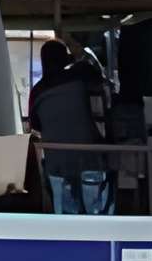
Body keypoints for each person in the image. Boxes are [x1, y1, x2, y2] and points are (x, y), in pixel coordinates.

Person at [28, 37, 113, 214]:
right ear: (65, 59)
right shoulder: (79, 76)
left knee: (67, 221)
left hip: (57, 161)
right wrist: (78, 54)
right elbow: (100, 76)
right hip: (89, 157)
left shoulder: (37, 91)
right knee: (97, 216)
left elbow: (35, 124)